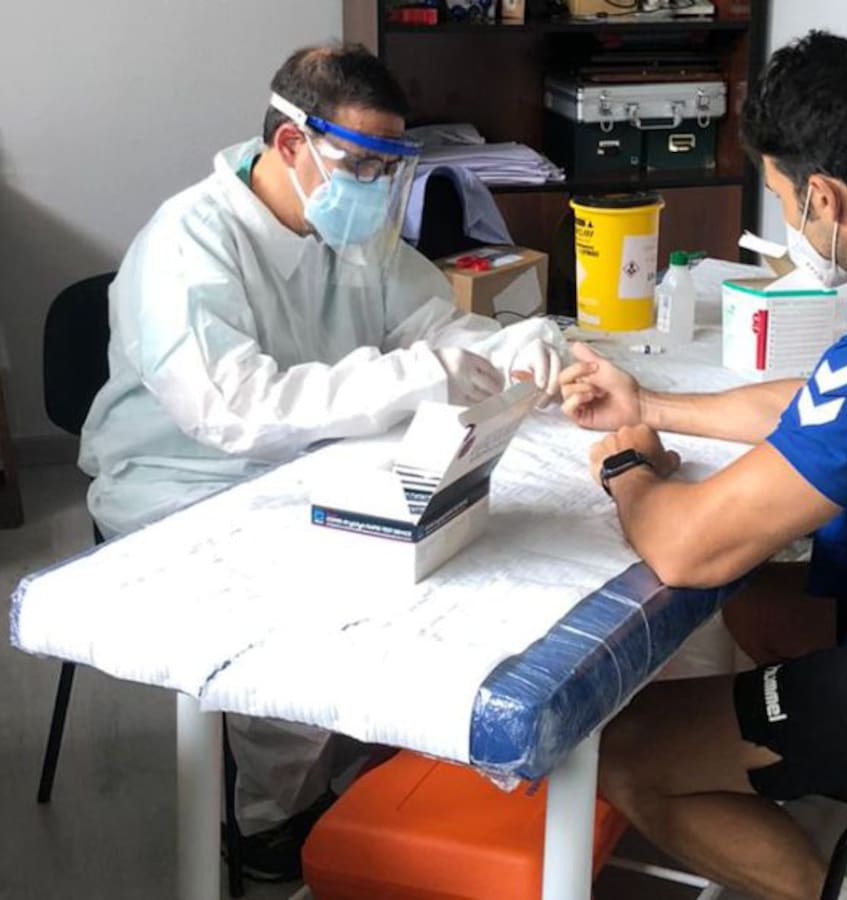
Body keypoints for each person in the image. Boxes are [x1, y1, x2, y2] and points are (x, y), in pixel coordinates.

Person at [78, 43, 566, 879]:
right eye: (363, 165)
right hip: (182, 482)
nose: (375, 187)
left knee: (452, 558)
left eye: (390, 167)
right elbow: (232, 411)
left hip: (316, 461)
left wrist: (518, 344)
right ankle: (274, 822)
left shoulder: (354, 230)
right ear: (290, 142)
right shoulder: (188, 243)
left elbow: (432, 327)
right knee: (307, 615)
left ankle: (379, 773)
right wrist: (415, 376)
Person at [558, 32, 847, 900]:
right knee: (764, 608)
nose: (787, 219)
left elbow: (689, 549)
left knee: (621, 753)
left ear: (823, 197)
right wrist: (649, 405)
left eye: (778, 196)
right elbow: (833, 399)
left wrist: (628, 466)